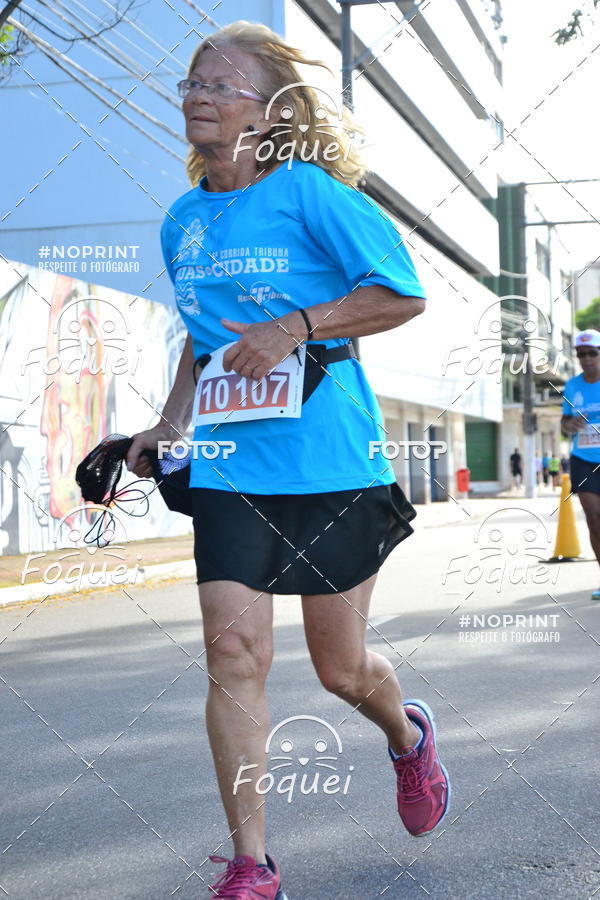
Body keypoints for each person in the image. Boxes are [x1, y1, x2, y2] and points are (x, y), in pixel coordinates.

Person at [126, 21, 450, 900]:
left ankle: (407, 737)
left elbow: (401, 294)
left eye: (219, 86)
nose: (197, 95)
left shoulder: (311, 193)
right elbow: (202, 342)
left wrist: (295, 325)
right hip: (233, 466)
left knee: (340, 669)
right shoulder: (184, 219)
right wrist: (167, 424)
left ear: (269, 114)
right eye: (193, 82)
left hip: (330, 459)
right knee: (235, 656)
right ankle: (251, 863)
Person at [561, 329, 600, 600]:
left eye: (592, 353)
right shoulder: (572, 386)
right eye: (581, 354)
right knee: (594, 519)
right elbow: (564, 424)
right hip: (583, 459)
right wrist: (570, 424)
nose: (586, 359)